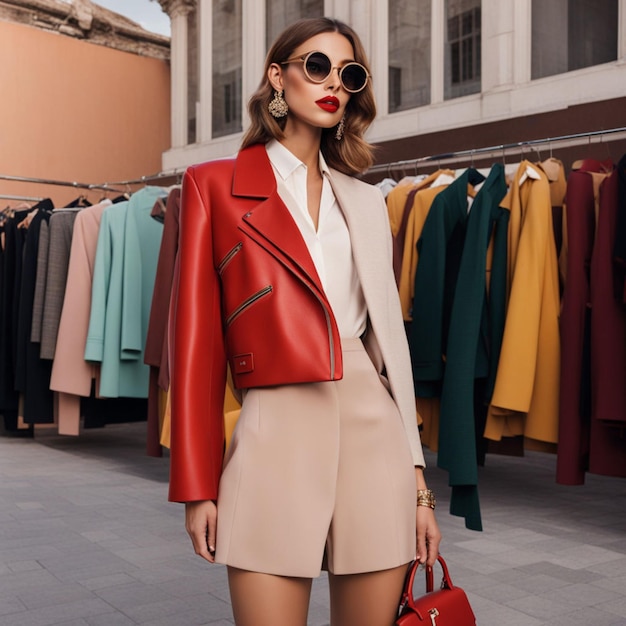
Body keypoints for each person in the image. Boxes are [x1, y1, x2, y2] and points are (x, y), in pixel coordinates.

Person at [168, 16, 441, 626]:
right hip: (275, 435)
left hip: (375, 439)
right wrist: (197, 485)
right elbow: (195, 349)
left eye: (348, 74)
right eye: (316, 66)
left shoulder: (368, 201)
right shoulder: (213, 185)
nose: (332, 84)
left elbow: (388, 348)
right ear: (276, 77)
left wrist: (420, 487)